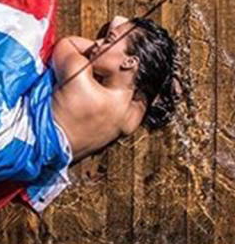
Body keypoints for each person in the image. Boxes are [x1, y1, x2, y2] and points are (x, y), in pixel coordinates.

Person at [50, 14, 178, 163]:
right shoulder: (132, 117)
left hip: (21, 144)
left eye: (107, 40)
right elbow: (120, 23)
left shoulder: (79, 78)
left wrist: (101, 48)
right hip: (42, 172)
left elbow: (68, 43)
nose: (97, 43)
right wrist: (111, 45)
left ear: (130, 62)